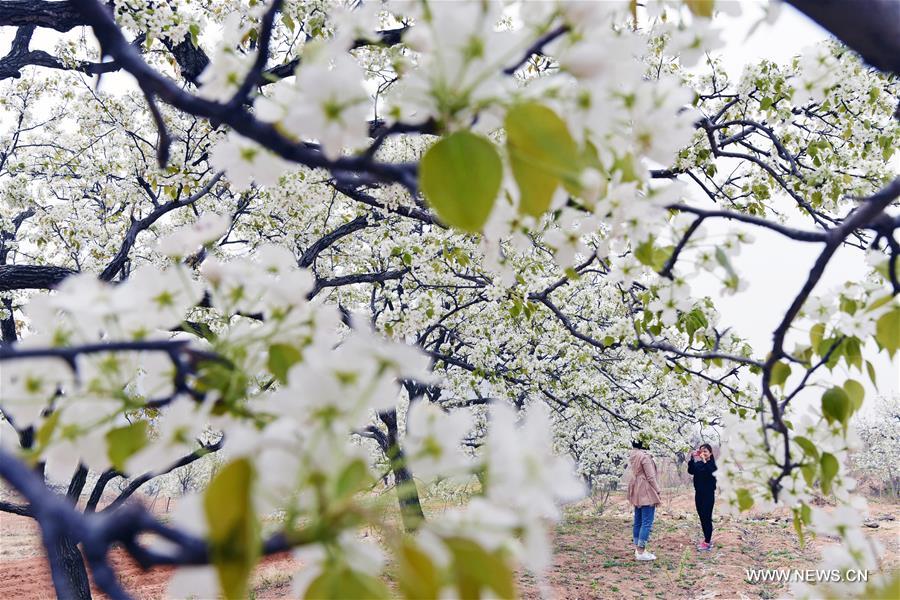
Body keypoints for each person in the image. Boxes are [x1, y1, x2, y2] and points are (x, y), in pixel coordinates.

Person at [627, 438, 661, 561]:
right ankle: (641, 551)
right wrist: (657, 490)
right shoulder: (644, 457)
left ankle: (638, 549)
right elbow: (651, 477)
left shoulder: (633, 455)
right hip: (645, 490)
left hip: (636, 488)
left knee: (638, 521)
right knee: (647, 521)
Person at [687, 443, 717, 551]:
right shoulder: (699, 464)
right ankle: (706, 539)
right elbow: (691, 471)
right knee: (702, 517)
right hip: (698, 494)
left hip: (708, 495)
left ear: (710, 453)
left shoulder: (713, 465)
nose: (703, 454)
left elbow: (711, 473)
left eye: (705, 451)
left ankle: (707, 541)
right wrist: (691, 458)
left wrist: (705, 461)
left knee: (706, 518)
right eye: (701, 451)